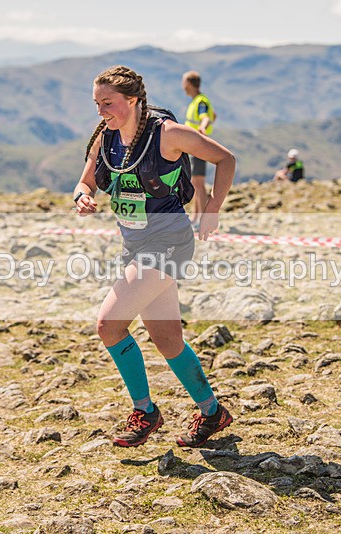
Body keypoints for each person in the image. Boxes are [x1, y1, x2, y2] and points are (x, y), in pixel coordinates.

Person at [73, 65, 235, 448]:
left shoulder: (168, 134)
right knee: (167, 338)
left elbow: (225, 159)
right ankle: (213, 413)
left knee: (108, 325)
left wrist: (212, 208)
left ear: (133, 100)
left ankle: (145, 411)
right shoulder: (104, 138)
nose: (101, 111)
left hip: (169, 242)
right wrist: (81, 195)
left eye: (108, 103)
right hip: (134, 245)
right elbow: (85, 180)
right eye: (96, 103)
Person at [182, 71, 216, 227]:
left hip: (199, 146)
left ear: (189, 83)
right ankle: (196, 217)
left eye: (184, 83)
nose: (183, 87)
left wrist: (202, 128)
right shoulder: (198, 100)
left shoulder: (200, 101)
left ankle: (200, 219)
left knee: (198, 183)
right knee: (195, 182)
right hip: (194, 147)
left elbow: (206, 117)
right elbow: (213, 115)